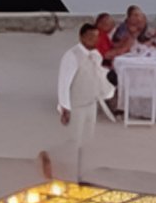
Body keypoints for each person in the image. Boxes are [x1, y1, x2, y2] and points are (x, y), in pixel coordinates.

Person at [41, 23, 115, 182]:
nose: (93, 40)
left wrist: (107, 90)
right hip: (77, 104)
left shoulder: (96, 55)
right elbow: (64, 82)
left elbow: (98, 76)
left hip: (91, 102)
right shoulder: (72, 56)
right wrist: (64, 107)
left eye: (96, 37)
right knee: (74, 139)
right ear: (81, 37)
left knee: (88, 139)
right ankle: (51, 157)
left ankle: (82, 173)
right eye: (90, 37)